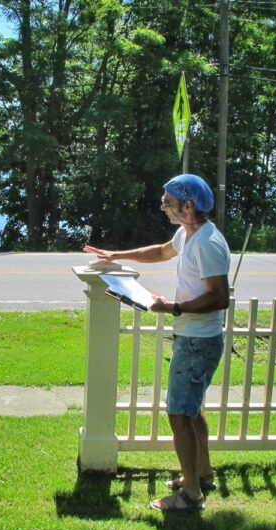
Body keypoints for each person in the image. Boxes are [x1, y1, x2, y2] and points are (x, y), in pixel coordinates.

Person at [83, 173, 230, 511]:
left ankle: (191, 494)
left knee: (179, 413)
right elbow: (163, 251)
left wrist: (173, 307)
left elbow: (219, 297)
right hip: (194, 337)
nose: (162, 207)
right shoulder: (190, 233)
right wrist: (115, 253)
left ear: (188, 205)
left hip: (197, 340)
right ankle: (202, 473)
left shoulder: (207, 244)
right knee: (192, 410)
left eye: (168, 202)